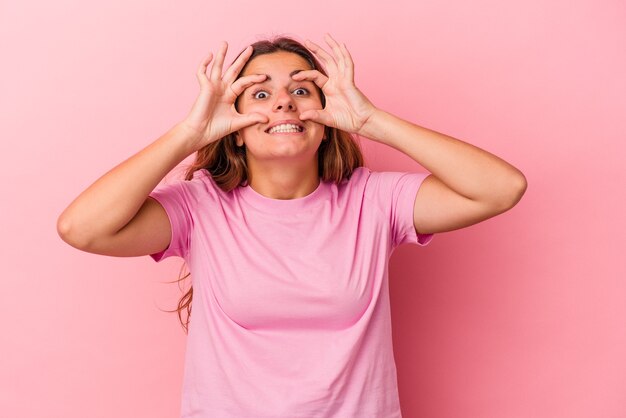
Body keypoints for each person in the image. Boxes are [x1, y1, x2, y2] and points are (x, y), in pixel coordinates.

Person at [57, 33, 527, 418]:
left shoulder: (374, 199)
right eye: (259, 94)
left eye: (301, 90)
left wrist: (371, 120)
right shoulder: (200, 207)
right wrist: (189, 134)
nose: (283, 103)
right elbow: (83, 228)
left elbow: (500, 188)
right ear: (234, 129)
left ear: (324, 121)